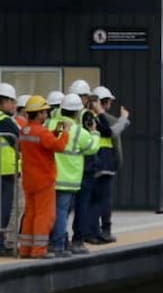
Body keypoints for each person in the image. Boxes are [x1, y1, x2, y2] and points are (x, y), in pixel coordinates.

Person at [17, 96, 70, 259]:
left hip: (29, 180)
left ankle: (25, 249)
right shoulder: (41, 132)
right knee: (44, 215)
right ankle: (39, 250)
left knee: (30, 214)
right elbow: (59, 146)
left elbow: (45, 142)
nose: (47, 114)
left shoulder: (25, 130)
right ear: (38, 114)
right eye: (45, 111)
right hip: (44, 180)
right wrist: (65, 132)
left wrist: (57, 131)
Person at [52, 93, 100, 257]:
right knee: (62, 212)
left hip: (54, 177)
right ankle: (59, 245)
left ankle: (57, 242)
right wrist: (95, 133)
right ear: (77, 112)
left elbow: (55, 143)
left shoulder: (58, 125)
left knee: (56, 212)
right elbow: (92, 148)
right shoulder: (79, 131)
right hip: (70, 179)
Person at [86, 86, 129, 244]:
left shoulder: (87, 117)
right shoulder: (100, 118)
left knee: (93, 200)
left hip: (94, 163)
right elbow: (114, 130)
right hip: (103, 163)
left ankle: (94, 232)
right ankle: (100, 231)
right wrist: (124, 118)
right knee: (102, 200)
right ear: (105, 102)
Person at [0, 83, 19, 256]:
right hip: (6, 172)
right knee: (4, 210)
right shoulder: (5, 121)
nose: (14, 105)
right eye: (11, 101)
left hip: (7, 171)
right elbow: (22, 139)